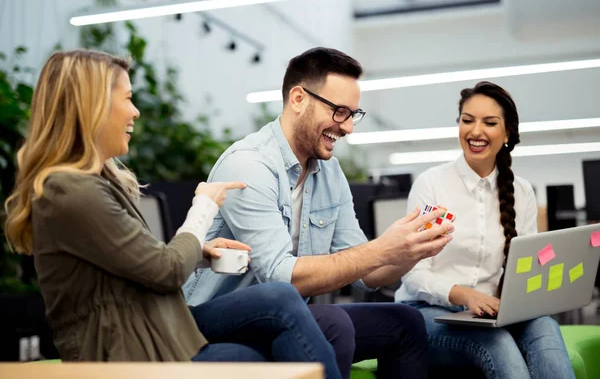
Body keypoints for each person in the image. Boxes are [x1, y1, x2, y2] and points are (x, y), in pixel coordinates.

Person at [3, 49, 342, 377]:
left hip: (150, 330)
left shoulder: (88, 184)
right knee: (255, 344)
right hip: (124, 351)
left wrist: (200, 255)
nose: (134, 112)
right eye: (127, 99)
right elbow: (164, 271)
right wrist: (204, 207)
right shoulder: (70, 191)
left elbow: (136, 264)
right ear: (92, 107)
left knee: (278, 309)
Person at [183, 47, 454, 379]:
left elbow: (365, 273)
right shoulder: (249, 164)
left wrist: (410, 250)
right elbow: (282, 277)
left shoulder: (329, 173)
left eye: (354, 114)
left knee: (404, 322)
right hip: (209, 317)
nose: (349, 127)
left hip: (285, 315)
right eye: (340, 111)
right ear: (298, 99)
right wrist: (383, 248)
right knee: (334, 321)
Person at [395, 81, 575, 378]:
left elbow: (526, 268)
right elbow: (413, 275)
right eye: (467, 121)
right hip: (427, 312)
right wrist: (465, 295)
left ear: (506, 134)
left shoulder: (521, 191)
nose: (475, 131)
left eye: (489, 123)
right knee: (497, 344)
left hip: (490, 313)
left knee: (545, 328)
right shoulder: (433, 185)